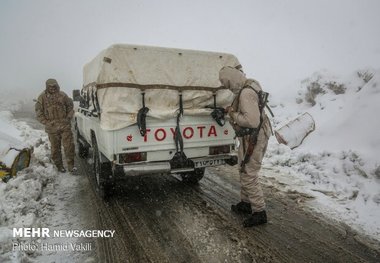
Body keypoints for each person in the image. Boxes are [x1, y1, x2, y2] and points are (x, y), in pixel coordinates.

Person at [219, 66, 272, 227]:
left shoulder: (245, 93)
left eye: (227, 83)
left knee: (249, 173)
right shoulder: (250, 85)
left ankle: (259, 211)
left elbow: (252, 121)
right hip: (250, 136)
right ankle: (246, 203)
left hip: (255, 137)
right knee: (243, 168)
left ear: (231, 80)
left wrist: (232, 114)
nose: (228, 87)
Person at [35, 78, 77, 174]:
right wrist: (46, 122)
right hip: (52, 128)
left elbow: (70, 107)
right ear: (47, 87)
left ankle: (71, 166)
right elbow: (38, 112)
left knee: (69, 147)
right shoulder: (42, 97)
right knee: (55, 149)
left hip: (64, 126)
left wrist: (68, 118)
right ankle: (59, 166)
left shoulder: (63, 95)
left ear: (57, 86)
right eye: (50, 87)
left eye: (54, 86)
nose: (52, 88)